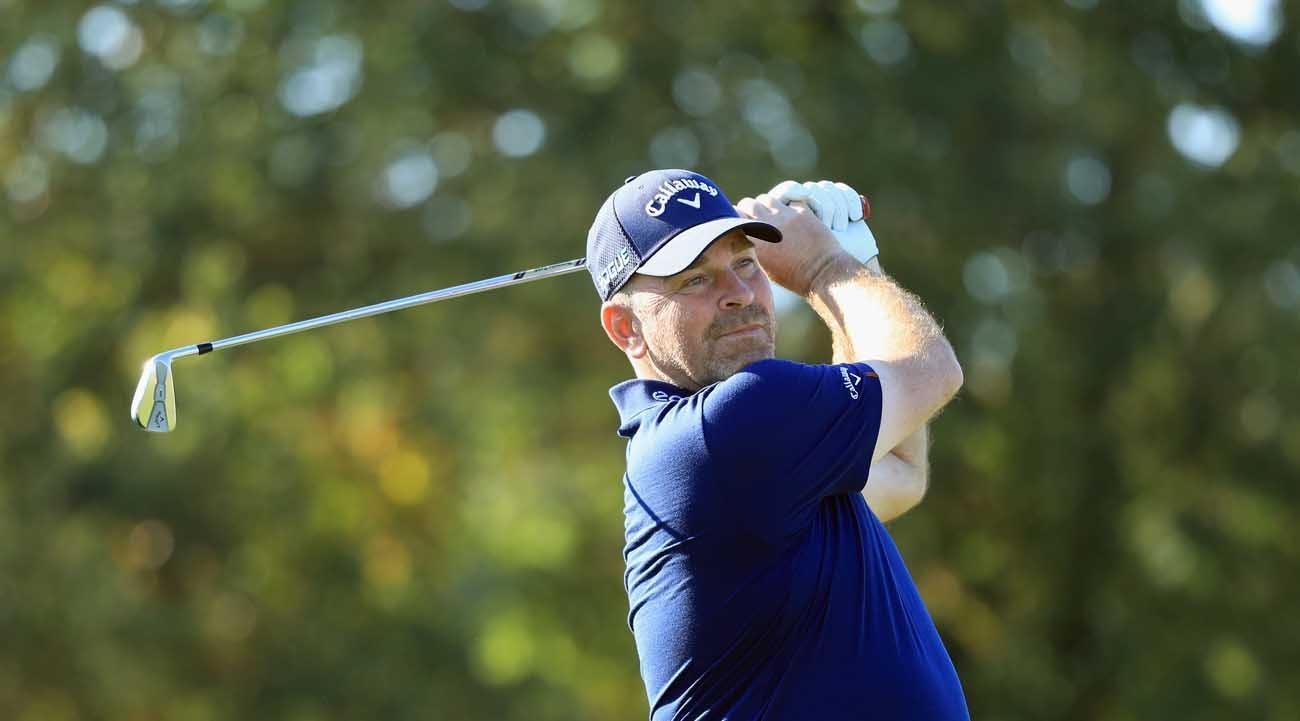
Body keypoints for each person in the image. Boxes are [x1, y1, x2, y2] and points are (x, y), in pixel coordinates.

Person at [586, 169, 968, 720]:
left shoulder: (761, 455)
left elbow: (901, 469)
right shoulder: (730, 427)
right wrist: (825, 267)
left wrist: (858, 265)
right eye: (695, 279)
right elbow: (931, 371)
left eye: (746, 263)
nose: (740, 294)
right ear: (626, 328)